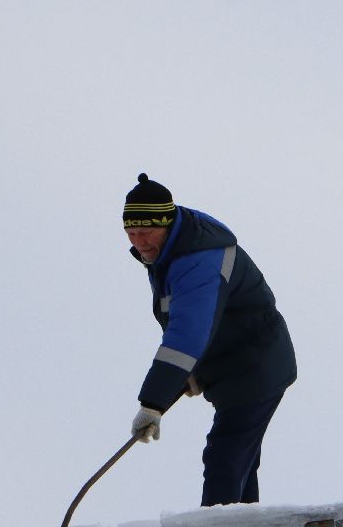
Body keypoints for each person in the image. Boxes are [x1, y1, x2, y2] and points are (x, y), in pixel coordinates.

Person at [123, 173, 297, 506]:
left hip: (256, 366)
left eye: (145, 232)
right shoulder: (171, 251)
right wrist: (188, 376)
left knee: (225, 458)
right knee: (238, 461)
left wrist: (153, 404)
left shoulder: (198, 258)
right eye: (131, 234)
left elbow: (187, 335)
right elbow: (196, 327)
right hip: (236, 368)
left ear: (166, 223)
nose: (139, 242)